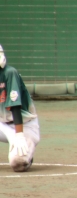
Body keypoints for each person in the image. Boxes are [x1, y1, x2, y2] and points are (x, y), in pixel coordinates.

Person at [0, 44, 40, 172]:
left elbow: (15, 106)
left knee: (18, 163)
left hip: (23, 125)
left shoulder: (9, 73)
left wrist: (19, 135)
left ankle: (26, 154)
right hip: (2, 125)